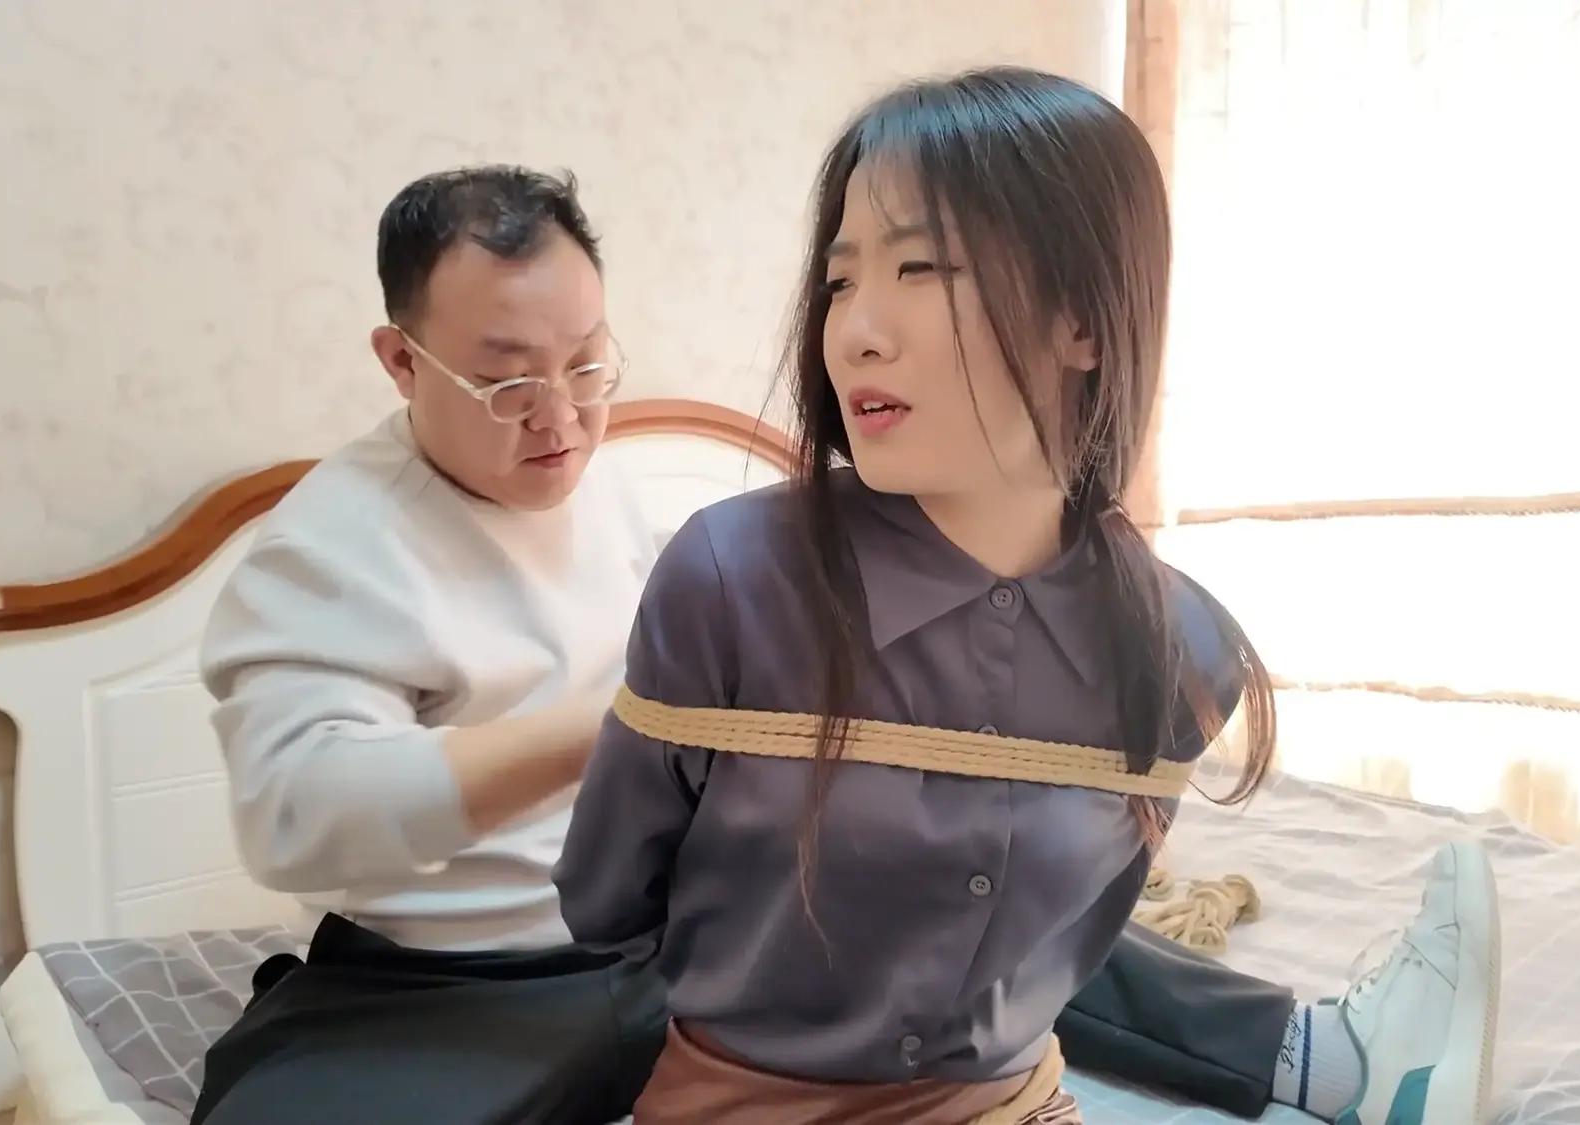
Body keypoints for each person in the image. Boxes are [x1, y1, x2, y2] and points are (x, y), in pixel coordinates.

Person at [192, 153, 1495, 1125]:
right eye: (505, 377)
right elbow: (303, 816)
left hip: (690, 932)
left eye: (587, 363)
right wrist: (629, 726)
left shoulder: (626, 493)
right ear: (400, 360)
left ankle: (1325, 1059)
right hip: (452, 979)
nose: (562, 417)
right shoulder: (330, 550)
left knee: (947, 860)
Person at [551, 67, 1499, 1125]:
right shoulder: (728, 579)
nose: (856, 329)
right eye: (840, 280)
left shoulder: (1185, 646)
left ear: (1081, 321)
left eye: (920, 267)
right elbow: (604, 903)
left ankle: (1331, 1061)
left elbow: (1073, 947)